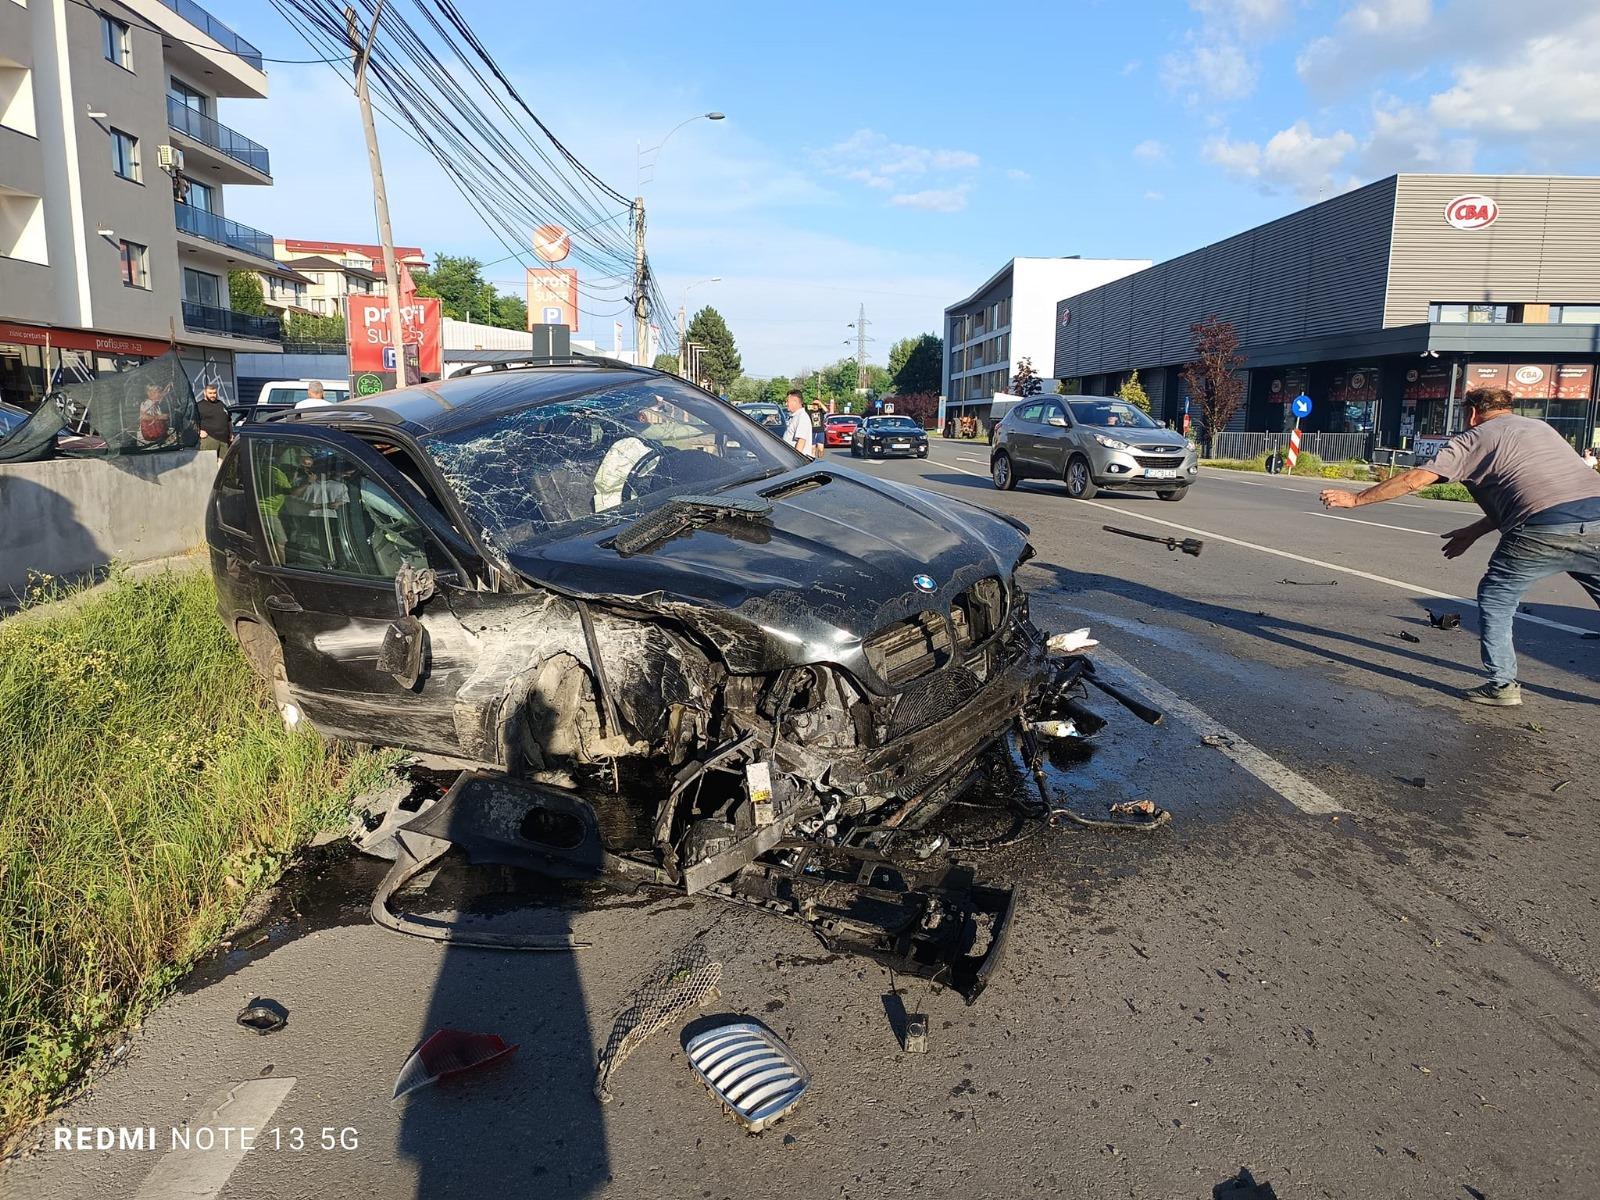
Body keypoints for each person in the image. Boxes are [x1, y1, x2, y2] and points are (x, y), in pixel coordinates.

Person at [1320, 386, 1600, 706]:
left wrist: (1356, 499)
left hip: (1540, 530)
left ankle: (1502, 685)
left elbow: (1416, 479)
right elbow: (1533, 491)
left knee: (1496, 597)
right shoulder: (1541, 428)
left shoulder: (1473, 438)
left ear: (1471, 413)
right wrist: (1474, 531)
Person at [195, 382, 231, 457]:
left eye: (214, 393)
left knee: (223, 465)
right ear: (205, 393)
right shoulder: (199, 406)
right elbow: (189, 420)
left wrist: (231, 433)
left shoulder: (221, 404)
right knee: (209, 464)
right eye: (210, 393)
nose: (213, 395)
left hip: (224, 440)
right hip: (209, 439)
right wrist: (198, 431)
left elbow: (228, 420)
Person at [783, 389, 814, 458]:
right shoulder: (796, 416)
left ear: (795, 401)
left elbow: (801, 441)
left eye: (787, 401)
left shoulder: (802, 417)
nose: (786, 404)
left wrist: (795, 459)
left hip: (796, 462)